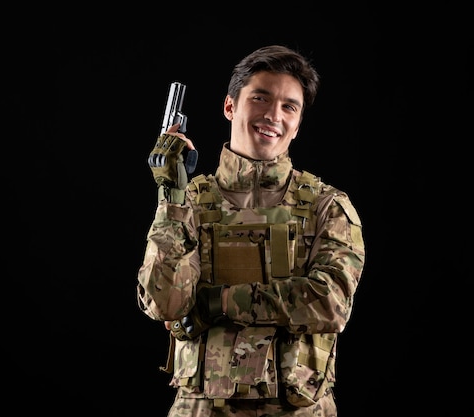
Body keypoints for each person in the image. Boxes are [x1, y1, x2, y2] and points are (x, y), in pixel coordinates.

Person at [137, 44, 366, 417]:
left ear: (298, 121)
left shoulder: (327, 205)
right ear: (230, 106)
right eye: (260, 98)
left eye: (289, 106)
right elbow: (165, 303)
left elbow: (331, 303)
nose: (273, 115)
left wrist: (218, 302)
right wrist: (171, 195)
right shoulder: (189, 201)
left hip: (299, 409)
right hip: (202, 408)